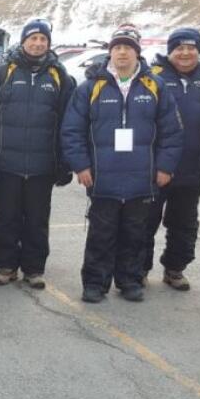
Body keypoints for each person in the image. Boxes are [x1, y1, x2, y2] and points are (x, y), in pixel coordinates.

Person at [61, 24, 183, 303]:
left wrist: (165, 167)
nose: (122, 52)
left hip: (142, 178)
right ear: (110, 53)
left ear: (138, 53)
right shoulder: (91, 87)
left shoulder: (155, 86)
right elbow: (72, 130)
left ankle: (129, 280)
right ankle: (95, 283)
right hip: (103, 177)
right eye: (117, 47)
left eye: (128, 47)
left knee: (135, 233)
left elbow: (172, 132)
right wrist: (81, 166)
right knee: (101, 234)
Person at [0, 18, 75, 288]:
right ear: (23, 41)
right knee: (6, 218)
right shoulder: (2, 73)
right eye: (33, 38)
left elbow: (70, 122)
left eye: (43, 39)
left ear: (48, 44)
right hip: (7, 164)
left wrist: (66, 161)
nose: (38, 43)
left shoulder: (60, 77)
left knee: (37, 220)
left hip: (43, 166)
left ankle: (34, 269)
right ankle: (6, 266)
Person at [142, 27, 200, 291]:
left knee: (184, 224)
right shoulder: (152, 76)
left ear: (198, 51)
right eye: (179, 48)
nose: (185, 53)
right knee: (144, 222)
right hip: (154, 168)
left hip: (192, 169)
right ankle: (138, 269)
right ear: (170, 51)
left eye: (191, 48)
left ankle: (175, 269)